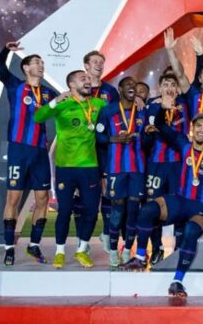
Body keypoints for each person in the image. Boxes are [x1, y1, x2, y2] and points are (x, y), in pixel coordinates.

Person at [120, 107, 203, 299]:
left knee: (190, 232)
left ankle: (178, 280)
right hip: (181, 200)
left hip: (202, 207)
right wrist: (163, 107)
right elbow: (160, 125)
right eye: (199, 126)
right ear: (192, 128)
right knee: (147, 210)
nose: (202, 130)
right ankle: (140, 257)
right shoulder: (183, 144)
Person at [0, 40, 59, 266]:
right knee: (13, 198)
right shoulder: (15, 86)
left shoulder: (49, 93)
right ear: (26, 67)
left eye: (42, 63)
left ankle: (34, 245)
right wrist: (6, 49)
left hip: (40, 151)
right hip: (18, 150)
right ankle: (9, 248)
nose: (41, 65)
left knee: (43, 199)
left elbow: (67, 106)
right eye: (36, 62)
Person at [33, 70, 105, 268]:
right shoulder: (62, 104)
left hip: (90, 167)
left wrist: (139, 101)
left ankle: (82, 250)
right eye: (83, 79)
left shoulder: (98, 104)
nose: (88, 81)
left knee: (91, 211)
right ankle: (60, 252)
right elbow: (38, 117)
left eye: (88, 78)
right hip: (65, 168)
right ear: (72, 84)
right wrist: (54, 101)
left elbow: (118, 111)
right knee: (64, 211)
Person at [97, 77, 147, 266]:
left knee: (133, 210)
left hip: (137, 169)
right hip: (116, 169)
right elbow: (98, 136)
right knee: (117, 211)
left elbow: (148, 135)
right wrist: (114, 139)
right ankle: (112, 250)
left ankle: (127, 250)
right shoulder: (108, 111)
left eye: (134, 85)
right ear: (120, 89)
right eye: (128, 85)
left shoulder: (142, 110)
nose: (132, 87)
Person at [143, 73, 188, 265]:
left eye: (173, 84)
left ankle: (178, 249)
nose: (169, 88)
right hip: (157, 164)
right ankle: (157, 248)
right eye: (166, 84)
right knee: (154, 206)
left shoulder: (184, 104)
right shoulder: (151, 106)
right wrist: (161, 108)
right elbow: (150, 130)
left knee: (180, 206)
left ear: (177, 89)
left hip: (178, 164)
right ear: (160, 88)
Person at [83, 50, 119, 253]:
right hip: (83, 148)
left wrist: (139, 100)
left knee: (107, 192)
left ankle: (106, 233)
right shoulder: (79, 87)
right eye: (95, 61)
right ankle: (83, 240)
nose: (99, 65)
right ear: (86, 65)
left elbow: (120, 112)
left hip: (104, 148)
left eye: (101, 62)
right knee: (84, 193)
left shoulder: (110, 91)